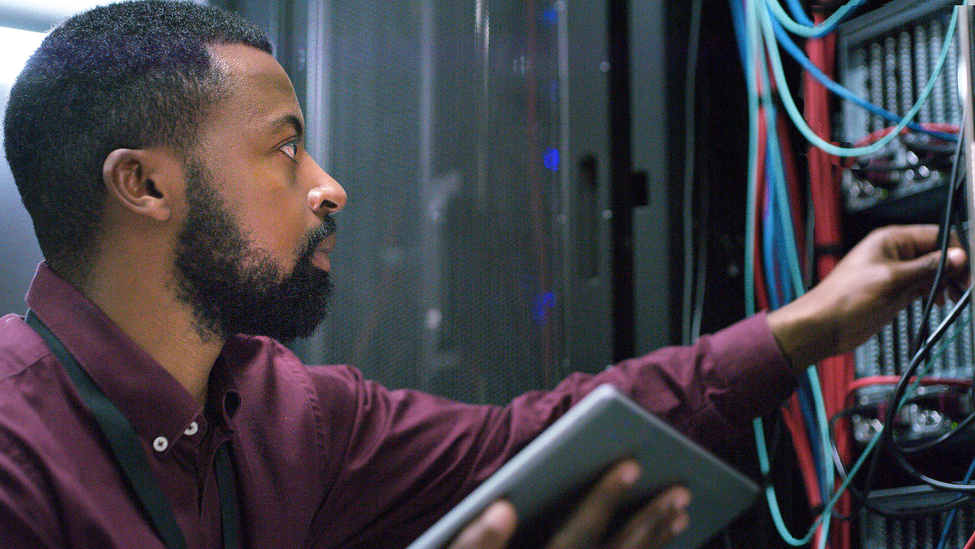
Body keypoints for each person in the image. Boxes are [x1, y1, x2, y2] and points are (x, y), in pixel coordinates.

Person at [0, 1, 967, 548]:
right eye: (284, 149)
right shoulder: (18, 460)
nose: (330, 186)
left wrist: (802, 326)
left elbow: (527, 441)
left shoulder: (283, 410)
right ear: (144, 185)